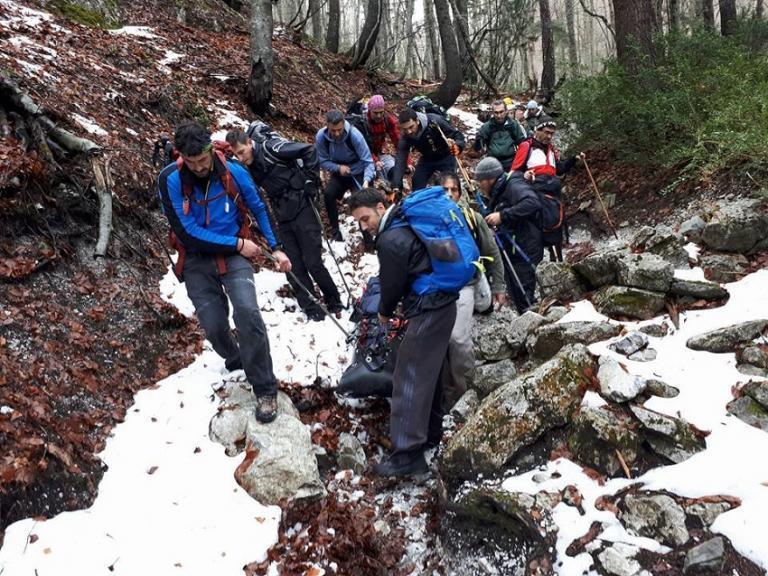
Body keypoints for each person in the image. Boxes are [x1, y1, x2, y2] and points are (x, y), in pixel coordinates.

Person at [157, 121, 291, 423]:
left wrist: (276, 246)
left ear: (210, 151)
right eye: (191, 162)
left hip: (234, 255)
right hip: (197, 258)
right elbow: (186, 231)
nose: (199, 167)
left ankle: (265, 387)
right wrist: (237, 244)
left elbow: (258, 207)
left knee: (247, 313)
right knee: (214, 325)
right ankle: (236, 358)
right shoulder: (170, 179)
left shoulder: (234, 171)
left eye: (202, 159)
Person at [349, 188, 458, 477]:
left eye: (366, 218)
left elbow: (392, 285)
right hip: (444, 305)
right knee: (429, 372)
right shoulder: (403, 224)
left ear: (381, 207)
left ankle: (407, 454)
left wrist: (384, 311)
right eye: (359, 222)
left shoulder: (390, 238)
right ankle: (431, 432)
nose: (364, 226)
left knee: (407, 375)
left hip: (428, 309)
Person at [226, 125, 342, 322]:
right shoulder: (248, 167)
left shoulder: (272, 148)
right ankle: (310, 306)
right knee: (292, 263)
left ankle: (334, 300)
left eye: (242, 152)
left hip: (303, 206)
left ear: (249, 142)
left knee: (313, 260)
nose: (241, 158)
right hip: (282, 214)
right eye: (236, 155)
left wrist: (310, 181)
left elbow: (308, 149)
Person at [440, 172, 507, 408]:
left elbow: (492, 250)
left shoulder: (473, 218)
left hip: (467, 284)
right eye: (444, 190)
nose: (449, 194)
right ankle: (447, 393)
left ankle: (466, 392)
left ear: (460, 193)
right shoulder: (429, 219)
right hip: (438, 286)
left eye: (454, 190)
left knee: (457, 338)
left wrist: (499, 286)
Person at [475, 157, 543, 313]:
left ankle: (533, 322)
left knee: (524, 292)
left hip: (525, 248)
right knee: (517, 291)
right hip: (514, 247)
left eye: (480, 181)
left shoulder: (514, 186)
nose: (478, 185)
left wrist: (502, 216)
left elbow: (532, 203)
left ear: (490, 179)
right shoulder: (501, 189)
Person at [511, 119, 584, 261]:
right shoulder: (526, 146)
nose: (549, 136)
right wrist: (525, 175)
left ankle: (557, 259)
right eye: (546, 133)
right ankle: (538, 259)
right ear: (537, 131)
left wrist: (573, 159)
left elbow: (559, 169)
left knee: (556, 224)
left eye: (552, 134)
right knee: (539, 226)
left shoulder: (551, 150)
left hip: (554, 193)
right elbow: (514, 171)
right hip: (536, 192)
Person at [316, 109, 376, 241]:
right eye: (333, 130)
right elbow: (322, 161)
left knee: (361, 201)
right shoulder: (321, 137)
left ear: (344, 124)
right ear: (327, 126)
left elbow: (368, 162)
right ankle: (336, 232)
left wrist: (367, 180)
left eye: (340, 129)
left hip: (359, 173)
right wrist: (338, 168)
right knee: (328, 194)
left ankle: (369, 241)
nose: (337, 133)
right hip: (340, 173)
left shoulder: (354, 135)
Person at [390, 108, 465, 192]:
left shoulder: (435, 121)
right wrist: (396, 185)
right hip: (427, 158)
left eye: (411, 127)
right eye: (405, 129)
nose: (409, 131)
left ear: (417, 121)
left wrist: (457, 146)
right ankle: (419, 203)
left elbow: (457, 135)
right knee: (417, 182)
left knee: (447, 184)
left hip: (446, 156)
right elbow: (401, 158)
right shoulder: (405, 136)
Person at [365, 94, 411, 183]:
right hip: (363, 156)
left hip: (378, 154)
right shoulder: (363, 122)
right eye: (375, 113)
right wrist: (375, 161)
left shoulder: (387, 120)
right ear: (370, 110)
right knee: (374, 175)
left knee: (393, 171)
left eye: (381, 112)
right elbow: (363, 147)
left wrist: (408, 162)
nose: (379, 116)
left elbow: (398, 142)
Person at [473, 99, 526, 171]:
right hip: (492, 163)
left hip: (510, 162)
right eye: (496, 113)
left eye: (501, 112)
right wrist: (479, 140)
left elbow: (522, 143)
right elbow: (477, 148)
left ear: (506, 111)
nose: (499, 115)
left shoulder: (513, 125)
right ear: (492, 112)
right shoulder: (487, 127)